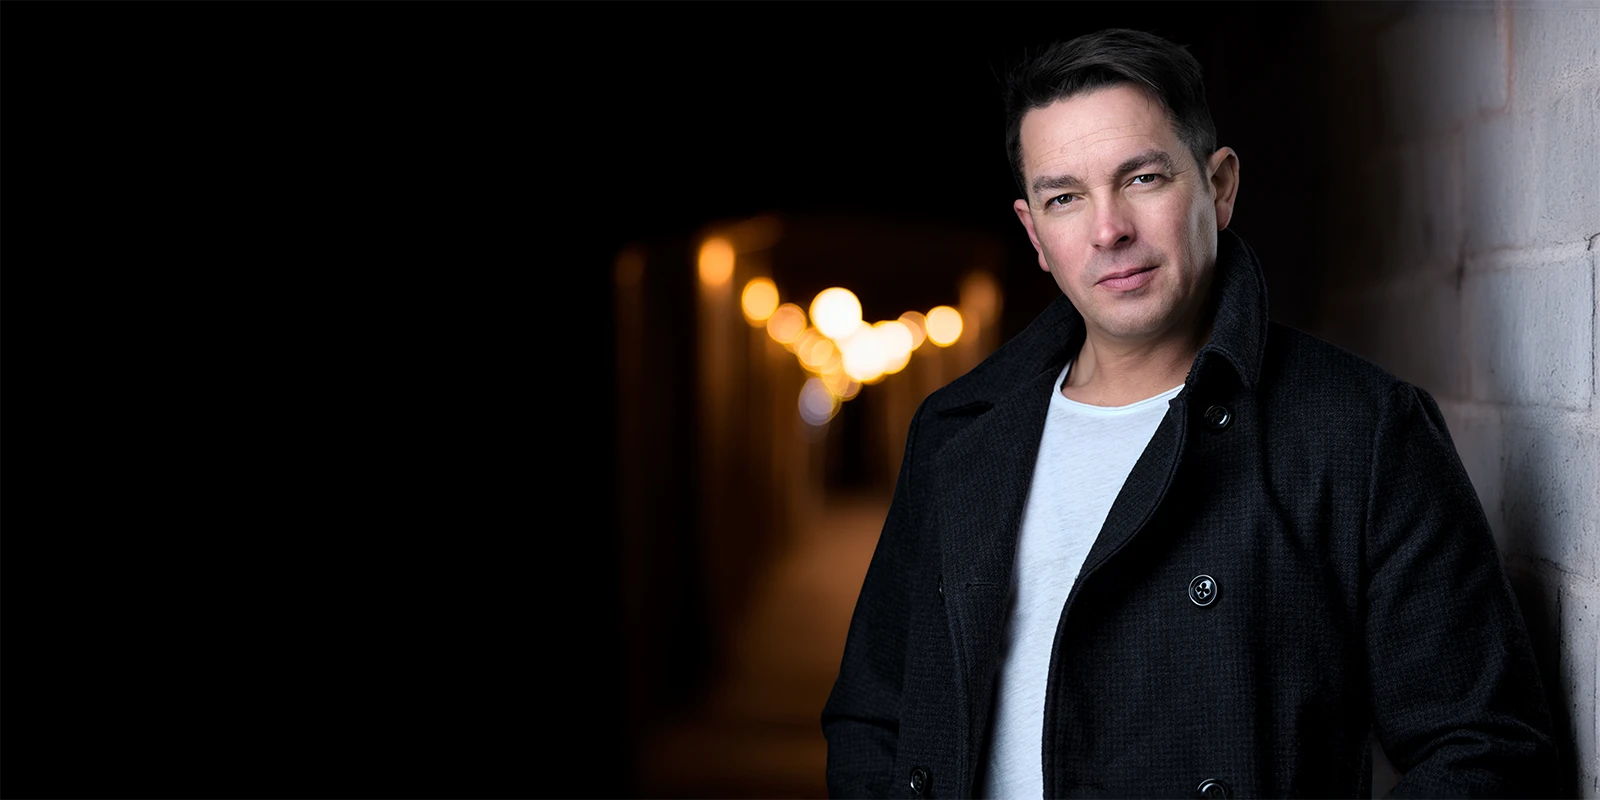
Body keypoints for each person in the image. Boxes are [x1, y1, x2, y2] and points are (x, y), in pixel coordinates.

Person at [821, 28, 1556, 799]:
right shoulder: (959, 431)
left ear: (1220, 186)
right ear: (1035, 232)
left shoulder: (1359, 431)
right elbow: (872, 717)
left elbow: (1485, 747)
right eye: (1065, 197)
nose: (1108, 229)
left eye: (1142, 178)